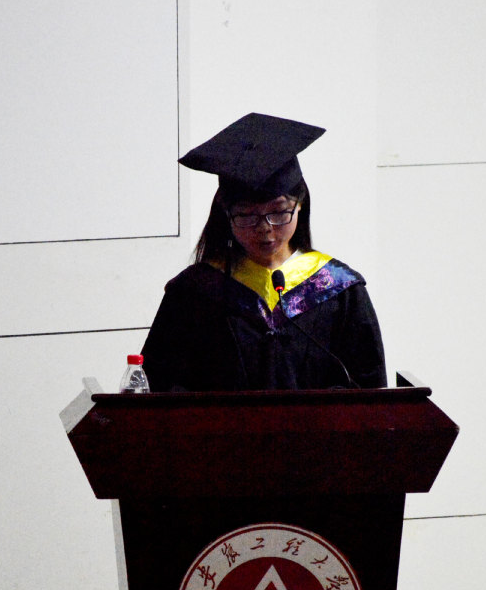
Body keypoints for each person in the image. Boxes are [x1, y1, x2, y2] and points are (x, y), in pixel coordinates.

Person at [141, 112, 386, 392]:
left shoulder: (339, 290)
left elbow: (369, 390)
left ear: (300, 204)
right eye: (247, 215)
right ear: (226, 213)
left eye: (279, 213)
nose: (265, 229)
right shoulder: (195, 293)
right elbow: (160, 387)